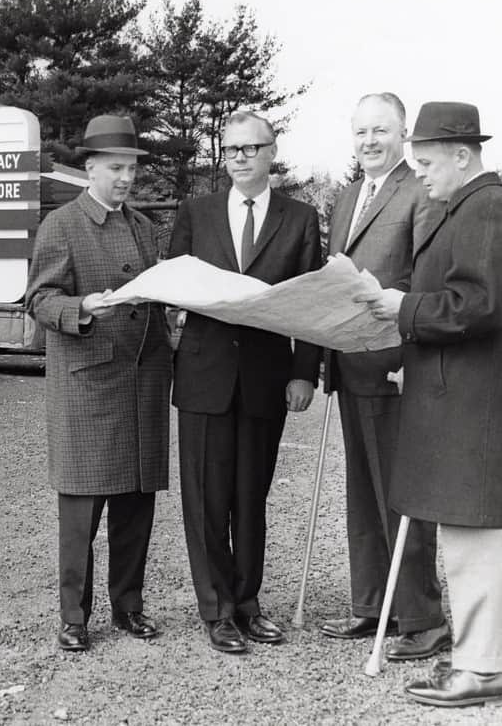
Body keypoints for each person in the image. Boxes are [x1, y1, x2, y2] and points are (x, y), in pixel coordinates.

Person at [360, 101, 502, 707]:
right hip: (468, 402)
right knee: (483, 534)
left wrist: (404, 309)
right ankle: (499, 658)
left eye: (428, 162)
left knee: (473, 536)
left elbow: (479, 304)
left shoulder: (484, 209)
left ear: (462, 156)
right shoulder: (470, 206)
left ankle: (482, 670)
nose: (421, 174)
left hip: (472, 410)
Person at [168, 111, 321, 653]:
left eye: (251, 148)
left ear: (271, 152)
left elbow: (312, 301)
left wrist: (304, 372)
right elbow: (174, 284)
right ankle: (217, 610)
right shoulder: (196, 213)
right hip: (204, 376)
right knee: (207, 499)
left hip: (265, 378)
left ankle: (248, 602)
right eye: (231, 148)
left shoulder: (299, 219)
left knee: (251, 497)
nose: (239, 157)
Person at [25, 114, 172, 653]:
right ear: (90, 169)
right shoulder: (62, 225)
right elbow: (39, 300)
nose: (126, 178)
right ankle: (74, 617)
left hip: (142, 388)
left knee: (136, 507)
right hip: (89, 391)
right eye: (115, 168)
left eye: (131, 168)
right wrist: (82, 307)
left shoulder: (144, 227)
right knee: (81, 515)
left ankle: (129, 606)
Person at [320, 93, 449, 660]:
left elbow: (426, 281)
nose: (369, 141)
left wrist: (411, 358)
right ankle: (373, 604)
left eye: (380, 130)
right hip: (351, 364)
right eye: (361, 132)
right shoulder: (349, 197)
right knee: (362, 493)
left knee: (403, 495)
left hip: (394, 366)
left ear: (403, 135)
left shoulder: (420, 191)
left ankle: (422, 618)